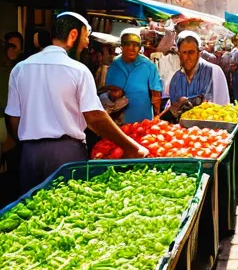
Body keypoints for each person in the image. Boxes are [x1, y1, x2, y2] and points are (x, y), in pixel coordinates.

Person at [6, 12, 148, 195]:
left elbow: (12, 118)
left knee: (32, 215)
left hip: (29, 155)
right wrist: (131, 147)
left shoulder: (20, 69)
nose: (87, 43)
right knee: (69, 214)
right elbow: (94, 117)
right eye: (86, 36)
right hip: (66, 155)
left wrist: (30, 145)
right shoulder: (78, 70)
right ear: (73, 35)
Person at [105, 28, 163, 123]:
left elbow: (156, 94)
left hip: (143, 121)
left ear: (140, 48)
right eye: (127, 44)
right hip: (118, 122)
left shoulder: (148, 65)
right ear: (121, 46)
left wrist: (157, 118)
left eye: (136, 45)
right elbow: (107, 91)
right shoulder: (114, 64)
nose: (132, 48)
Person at [168, 31, 230, 107]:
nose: (188, 57)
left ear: (199, 53)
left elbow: (224, 106)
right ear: (179, 54)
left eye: (191, 52)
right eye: (184, 53)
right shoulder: (175, 79)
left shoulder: (214, 72)